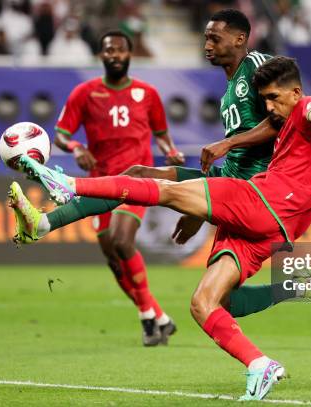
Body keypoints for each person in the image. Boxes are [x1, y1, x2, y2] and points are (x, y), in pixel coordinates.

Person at [10, 56, 311, 400]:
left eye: (274, 99)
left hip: (262, 201)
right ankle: (263, 360)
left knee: (165, 191)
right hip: (277, 227)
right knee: (207, 304)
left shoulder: (304, 107)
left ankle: (68, 186)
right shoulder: (283, 123)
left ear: (294, 93)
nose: (269, 107)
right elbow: (290, 123)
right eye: (264, 100)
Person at [11, 10, 311, 321]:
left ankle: (58, 198)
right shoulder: (228, 92)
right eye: (206, 38)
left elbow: (287, 118)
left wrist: (227, 144)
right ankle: (43, 224)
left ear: (239, 39)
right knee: (221, 302)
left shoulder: (258, 67)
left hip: (255, 193)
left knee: (154, 193)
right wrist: (200, 211)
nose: (207, 45)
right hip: (228, 183)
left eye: (215, 38)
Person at [14, 30, 184, 347]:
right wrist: (77, 148)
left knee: (122, 240)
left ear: (130, 55)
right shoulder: (85, 93)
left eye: (120, 50)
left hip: (136, 179)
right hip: (99, 182)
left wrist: (171, 150)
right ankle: (158, 316)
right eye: (108, 50)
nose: (114, 55)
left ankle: (147, 318)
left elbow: (161, 133)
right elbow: (62, 133)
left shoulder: (147, 94)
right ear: (100, 55)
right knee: (113, 257)